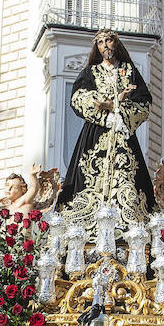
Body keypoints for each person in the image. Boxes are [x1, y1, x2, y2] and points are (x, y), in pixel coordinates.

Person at [57, 29, 155, 231]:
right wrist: (105, 109)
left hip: (122, 132)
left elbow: (144, 102)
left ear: (115, 43)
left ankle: (129, 227)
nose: (105, 45)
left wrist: (119, 112)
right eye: (100, 42)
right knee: (87, 177)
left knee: (128, 178)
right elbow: (78, 98)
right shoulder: (90, 72)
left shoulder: (129, 71)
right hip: (96, 133)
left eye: (108, 40)